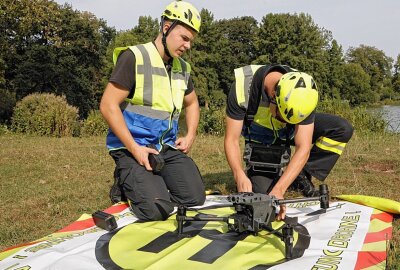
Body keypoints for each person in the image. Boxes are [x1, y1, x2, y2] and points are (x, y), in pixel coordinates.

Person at [100, 1, 205, 221]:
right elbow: (108, 105)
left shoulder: (182, 67)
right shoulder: (134, 57)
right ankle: (124, 181)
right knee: (157, 210)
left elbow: (192, 103)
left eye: (190, 41)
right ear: (166, 27)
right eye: (184, 38)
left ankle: (153, 182)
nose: (187, 46)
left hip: (165, 147)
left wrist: (190, 135)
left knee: (195, 198)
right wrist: (135, 149)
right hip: (132, 147)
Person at [224, 64, 353, 220]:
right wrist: (238, 174)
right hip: (261, 138)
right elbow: (231, 139)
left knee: (341, 129)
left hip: (289, 134)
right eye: (281, 118)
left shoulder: (303, 91)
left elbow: (303, 146)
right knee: (263, 196)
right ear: (273, 97)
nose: (284, 122)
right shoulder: (241, 88)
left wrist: (280, 188)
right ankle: (263, 173)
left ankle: (301, 174)